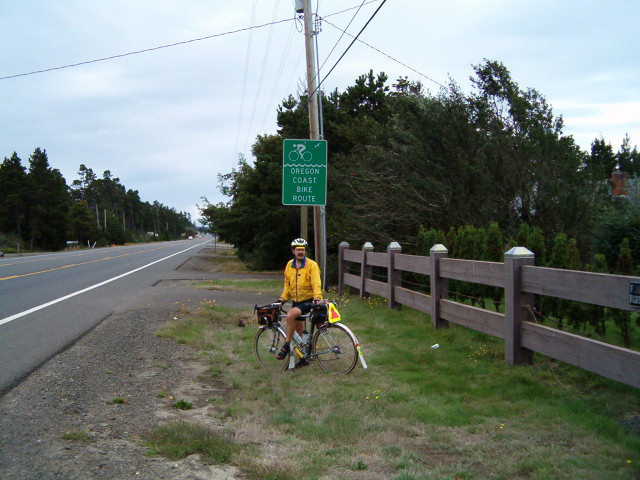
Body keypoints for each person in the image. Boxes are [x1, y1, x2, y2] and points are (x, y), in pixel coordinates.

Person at [274, 238, 323, 360]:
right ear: (293, 251)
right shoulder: (289, 265)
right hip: (296, 301)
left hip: (309, 300)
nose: (300, 252)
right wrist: (282, 299)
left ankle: (286, 346)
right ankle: (304, 357)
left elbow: (316, 283)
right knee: (298, 329)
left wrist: (317, 298)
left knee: (290, 315)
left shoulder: (312, 265)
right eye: (298, 250)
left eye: (302, 250)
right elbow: (288, 287)